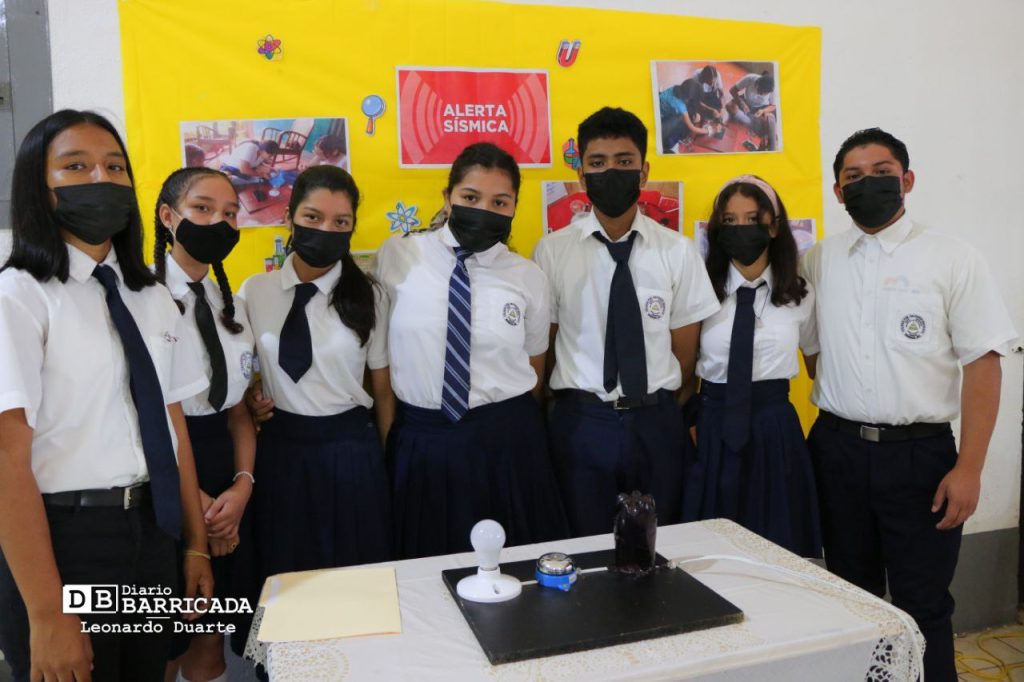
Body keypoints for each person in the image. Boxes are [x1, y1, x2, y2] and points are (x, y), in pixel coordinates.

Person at [0, 109, 213, 681]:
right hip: (64, 538)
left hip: (151, 530)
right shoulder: (18, 297)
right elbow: (5, 459)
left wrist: (194, 544)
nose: (102, 177)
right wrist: (48, 613)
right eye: (76, 166)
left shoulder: (152, 297)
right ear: (39, 186)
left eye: (115, 167)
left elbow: (173, 426)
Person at [801, 128, 1017, 681]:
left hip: (921, 460)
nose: (867, 184)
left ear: (908, 180)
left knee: (924, 607)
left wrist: (969, 468)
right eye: (853, 177)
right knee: (852, 603)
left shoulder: (952, 258)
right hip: (838, 452)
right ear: (837, 191)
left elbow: (984, 365)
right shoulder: (820, 260)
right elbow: (814, 351)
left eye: (881, 172)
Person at [375, 142, 568, 558]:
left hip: (507, 443)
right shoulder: (398, 255)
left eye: (500, 202)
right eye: (470, 197)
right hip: (423, 440)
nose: (484, 210)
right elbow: (381, 359)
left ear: (514, 207)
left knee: (515, 567)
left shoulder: (528, 276)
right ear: (447, 198)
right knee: (426, 567)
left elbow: (534, 367)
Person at [534, 107, 720, 537]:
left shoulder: (677, 251)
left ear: (644, 171)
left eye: (624, 161)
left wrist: (655, 409)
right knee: (583, 546)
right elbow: (547, 344)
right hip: (581, 423)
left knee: (661, 545)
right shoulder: (552, 251)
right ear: (581, 176)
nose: (610, 172)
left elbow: (685, 354)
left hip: (655, 422)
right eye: (597, 163)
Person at [239, 165, 393, 583]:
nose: (326, 230)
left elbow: (383, 392)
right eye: (313, 217)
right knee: (287, 572)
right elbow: (243, 373)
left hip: (350, 452)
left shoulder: (371, 295)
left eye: (340, 222)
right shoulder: (254, 291)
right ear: (288, 217)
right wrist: (252, 398)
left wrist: (384, 462)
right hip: (281, 451)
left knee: (354, 575)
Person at [682, 175, 821, 557]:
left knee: (777, 543)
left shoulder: (800, 293)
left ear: (773, 227)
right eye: (730, 221)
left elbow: (816, 364)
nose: (740, 229)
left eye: (752, 219)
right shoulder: (700, 290)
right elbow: (684, 364)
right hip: (713, 425)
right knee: (713, 544)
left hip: (774, 428)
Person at [154, 168, 257, 682]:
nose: (219, 221)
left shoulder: (227, 302)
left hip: (225, 476)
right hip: (166, 475)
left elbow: (238, 410)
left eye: (230, 213)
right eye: (202, 208)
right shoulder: (139, 298)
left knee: (210, 638)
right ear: (168, 217)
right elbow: (145, 414)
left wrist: (241, 487)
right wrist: (196, 505)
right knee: (165, 643)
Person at [727, 71, 778, 151]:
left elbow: (773, 106)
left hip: (761, 107)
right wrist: (741, 103)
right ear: (757, 84)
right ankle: (751, 123)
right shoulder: (750, 78)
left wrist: (762, 110)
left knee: (770, 119)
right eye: (760, 91)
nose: (760, 94)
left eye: (763, 94)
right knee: (730, 106)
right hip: (745, 101)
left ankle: (750, 122)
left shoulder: (772, 89)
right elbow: (732, 90)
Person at [658, 80, 714, 152]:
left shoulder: (676, 88)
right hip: (660, 121)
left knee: (692, 116)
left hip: (658, 106)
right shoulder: (680, 106)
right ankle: (672, 143)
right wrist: (708, 130)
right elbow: (692, 128)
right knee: (684, 120)